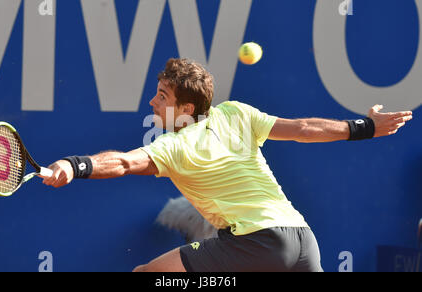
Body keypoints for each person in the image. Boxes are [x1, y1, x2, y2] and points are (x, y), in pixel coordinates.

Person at [41, 58, 413, 272]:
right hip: (302, 240)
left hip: (257, 242)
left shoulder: (176, 145)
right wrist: (364, 127)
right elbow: (303, 129)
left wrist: (76, 166)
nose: (152, 102)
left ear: (185, 109)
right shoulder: (235, 112)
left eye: (162, 96)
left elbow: (123, 163)